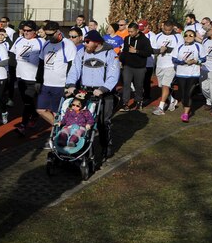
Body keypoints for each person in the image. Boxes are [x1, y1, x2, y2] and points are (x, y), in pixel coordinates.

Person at [64, 31, 120, 159]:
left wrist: (103, 89)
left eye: (88, 41)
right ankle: (82, 146)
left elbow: (114, 74)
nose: (85, 44)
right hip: (85, 92)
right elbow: (75, 70)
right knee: (82, 120)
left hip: (104, 93)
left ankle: (106, 146)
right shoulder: (81, 52)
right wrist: (71, 85)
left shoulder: (110, 54)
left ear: (97, 42)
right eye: (84, 41)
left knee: (103, 122)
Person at [36, 21, 77, 135]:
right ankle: (62, 130)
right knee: (40, 110)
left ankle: (59, 135)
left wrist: (69, 85)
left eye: (51, 34)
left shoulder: (67, 44)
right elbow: (40, 63)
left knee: (57, 112)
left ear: (58, 31)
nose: (48, 37)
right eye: (47, 34)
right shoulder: (46, 44)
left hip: (60, 85)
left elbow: (72, 66)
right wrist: (38, 81)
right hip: (46, 84)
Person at [11, 21, 44, 135]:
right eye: (24, 30)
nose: (26, 32)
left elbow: (43, 61)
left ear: (34, 31)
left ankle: (23, 125)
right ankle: (34, 115)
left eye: (29, 30)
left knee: (27, 102)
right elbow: (13, 56)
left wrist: (40, 79)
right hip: (20, 76)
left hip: (33, 78)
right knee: (25, 101)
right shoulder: (19, 40)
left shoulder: (41, 42)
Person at [171, 30, 205, 122]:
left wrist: (196, 61)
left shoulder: (198, 46)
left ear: (194, 37)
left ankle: (186, 113)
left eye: (191, 35)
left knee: (189, 93)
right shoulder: (179, 46)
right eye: (186, 35)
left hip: (193, 74)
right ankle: (186, 107)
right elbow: (174, 59)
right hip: (181, 74)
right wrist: (183, 62)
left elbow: (204, 58)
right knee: (183, 94)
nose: (188, 37)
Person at [119, 22, 153, 111]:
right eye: (129, 31)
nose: (130, 34)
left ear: (137, 30)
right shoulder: (127, 38)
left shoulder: (144, 40)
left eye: (132, 32)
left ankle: (138, 102)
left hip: (140, 67)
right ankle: (125, 103)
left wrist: (137, 51)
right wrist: (121, 60)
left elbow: (149, 52)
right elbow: (125, 51)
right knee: (126, 84)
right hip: (128, 66)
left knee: (138, 85)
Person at [151, 20, 182, 115]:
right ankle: (172, 100)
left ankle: (161, 107)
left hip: (171, 64)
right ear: (163, 27)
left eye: (169, 30)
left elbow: (180, 50)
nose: (167, 32)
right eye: (166, 30)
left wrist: (167, 49)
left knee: (165, 85)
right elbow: (153, 50)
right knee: (162, 86)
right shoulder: (158, 36)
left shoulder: (178, 37)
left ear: (172, 27)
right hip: (160, 64)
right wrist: (160, 50)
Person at [201, 24, 212, 115]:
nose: (206, 32)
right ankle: (210, 101)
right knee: (204, 88)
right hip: (204, 67)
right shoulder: (206, 40)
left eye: (209, 31)